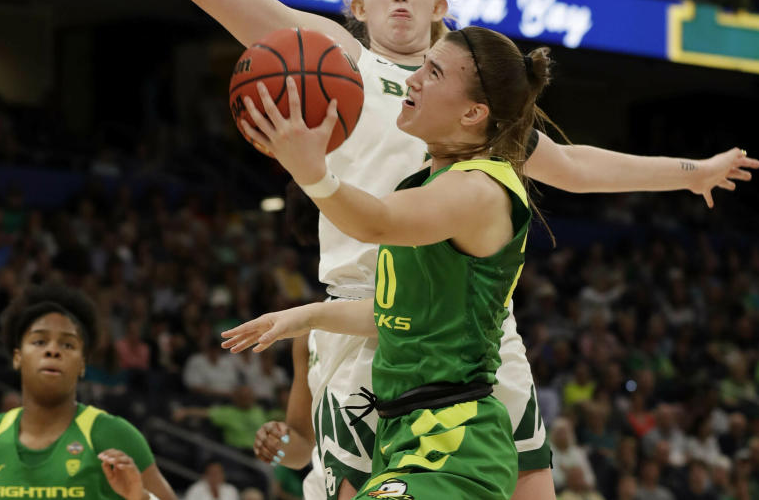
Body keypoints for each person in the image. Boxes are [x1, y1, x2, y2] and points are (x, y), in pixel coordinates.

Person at [0, 0, 759, 498]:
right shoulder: (331, 55)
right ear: (355, 4)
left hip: (466, 327)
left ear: (442, 7)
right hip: (360, 314)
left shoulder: (475, 109)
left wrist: (689, 171)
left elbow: (575, 163)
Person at [224, 26, 556, 498]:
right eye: (423, 65)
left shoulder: (479, 189)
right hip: (405, 438)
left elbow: (375, 222)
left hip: (454, 438)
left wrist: (311, 171)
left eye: (434, 72)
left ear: (473, 112)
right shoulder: (426, 186)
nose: (414, 79)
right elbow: (400, 313)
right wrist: (303, 316)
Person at [0, 284, 176, 500]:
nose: (52, 350)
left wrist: (139, 497)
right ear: (17, 357)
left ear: (82, 364)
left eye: (68, 345)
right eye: (39, 341)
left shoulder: (111, 434)